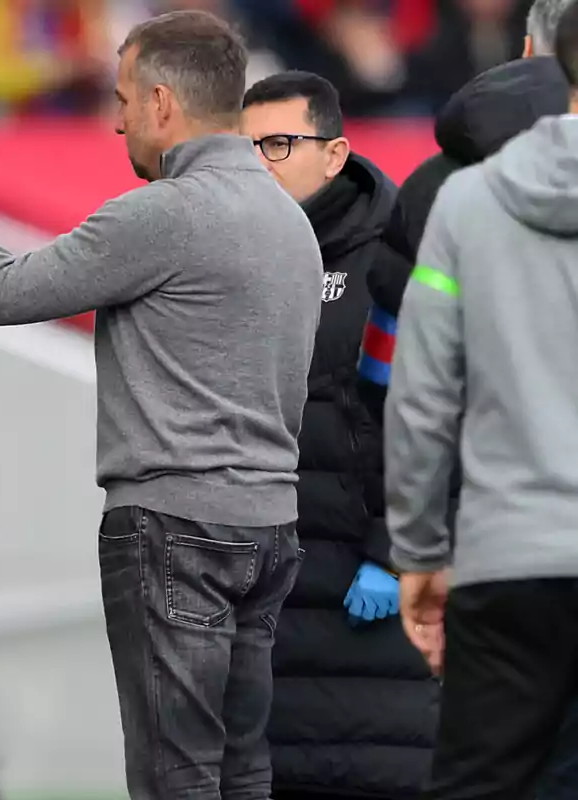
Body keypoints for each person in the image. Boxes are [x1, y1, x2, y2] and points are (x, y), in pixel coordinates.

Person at [0, 10, 323, 800]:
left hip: (176, 528)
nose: (114, 120)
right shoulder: (291, 220)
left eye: (123, 99)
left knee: (173, 777)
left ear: (164, 104)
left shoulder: (163, 214)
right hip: (270, 526)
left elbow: (2, 292)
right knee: (242, 771)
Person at [387, 3, 578, 797]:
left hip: (507, 558)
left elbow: (422, 396)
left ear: (544, 56)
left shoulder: (468, 201)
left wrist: (421, 551)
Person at [240, 70, 438, 799]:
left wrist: (392, 551)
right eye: (246, 147)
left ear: (335, 153)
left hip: (365, 579)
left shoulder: (395, 259)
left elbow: (424, 414)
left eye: (280, 143)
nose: (260, 162)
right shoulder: (236, 256)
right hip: (268, 587)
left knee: (373, 764)